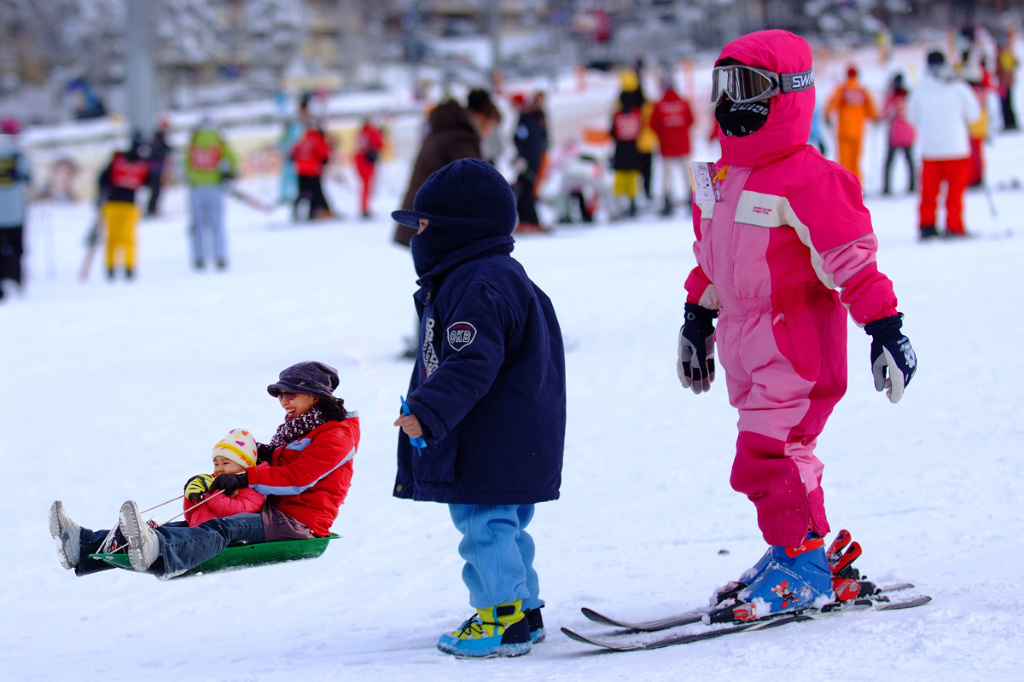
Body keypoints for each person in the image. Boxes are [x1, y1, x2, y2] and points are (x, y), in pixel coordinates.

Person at [678, 29, 917, 623]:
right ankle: (797, 549)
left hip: (794, 345)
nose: (731, 101)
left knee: (770, 455)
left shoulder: (808, 179)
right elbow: (710, 260)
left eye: (749, 86)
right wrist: (696, 317)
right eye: (723, 85)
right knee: (777, 454)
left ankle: (804, 565)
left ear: (788, 94)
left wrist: (886, 329)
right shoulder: (722, 180)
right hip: (744, 342)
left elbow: (852, 262)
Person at [391, 158, 566, 658]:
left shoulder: (478, 285)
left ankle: (500, 618)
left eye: (422, 227)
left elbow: (471, 362)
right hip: (512, 436)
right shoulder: (493, 276)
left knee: (483, 527)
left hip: (487, 437)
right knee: (504, 525)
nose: (416, 239)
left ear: (453, 230)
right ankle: (523, 609)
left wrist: (428, 409)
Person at [49, 361, 359, 580]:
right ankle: (86, 546)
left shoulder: (336, 435)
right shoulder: (302, 428)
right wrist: (250, 455)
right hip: (273, 512)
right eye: (280, 394)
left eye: (290, 393)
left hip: (300, 523)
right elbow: (281, 464)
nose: (283, 401)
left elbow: (296, 480)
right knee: (192, 527)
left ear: (316, 395)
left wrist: (242, 477)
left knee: (225, 528)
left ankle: (160, 552)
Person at [394, 91, 499, 248]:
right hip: (432, 222)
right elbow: (474, 180)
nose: (488, 133)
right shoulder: (460, 138)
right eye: (490, 127)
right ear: (481, 118)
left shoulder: (447, 128)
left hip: (423, 217)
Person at [907, 50, 981, 239]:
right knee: (955, 191)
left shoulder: (920, 88)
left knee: (929, 192)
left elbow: (911, 117)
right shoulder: (958, 86)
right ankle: (954, 226)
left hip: (930, 149)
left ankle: (927, 226)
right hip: (956, 147)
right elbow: (974, 114)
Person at [184, 117, 238, 270]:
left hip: (197, 188)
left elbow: (186, 165)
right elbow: (233, 159)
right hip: (215, 186)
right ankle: (220, 256)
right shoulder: (219, 141)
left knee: (197, 225)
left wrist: (194, 176)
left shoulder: (193, 142)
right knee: (217, 224)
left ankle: (199, 258)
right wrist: (227, 173)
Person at [183, 428, 266, 528]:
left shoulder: (252, 487)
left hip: (225, 537)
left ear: (244, 466)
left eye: (225, 463)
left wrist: (212, 492)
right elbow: (191, 518)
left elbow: (238, 512)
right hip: (200, 535)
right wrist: (193, 499)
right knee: (171, 530)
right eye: (216, 464)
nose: (219, 469)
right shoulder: (212, 482)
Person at [97, 135, 151, 280]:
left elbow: (102, 180)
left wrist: (100, 198)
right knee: (128, 239)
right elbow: (150, 182)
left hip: (112, 203)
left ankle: (111, 268)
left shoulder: (117, 160)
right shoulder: (142, 163)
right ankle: (129, 267)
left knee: (112, 238)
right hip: (129, 204)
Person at [649, 76, 695, 217]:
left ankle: (667, 202)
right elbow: (691, 120)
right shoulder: (683, 102)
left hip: (667, 146)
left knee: (666, 176)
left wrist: (665, 134)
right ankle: (690, 200)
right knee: (687, 175)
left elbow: (653, 124)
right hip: (682, 145)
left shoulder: (659, 105)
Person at [826, 66, 878, 183]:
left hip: (843, 130)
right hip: (858, 131)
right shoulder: (862, 91)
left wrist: (827, 116)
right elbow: (872, 110)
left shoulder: (842, 89)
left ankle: (845, 185)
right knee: (856, 160)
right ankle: (858, 185)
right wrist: (876, 119)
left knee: (844, 161)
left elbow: (831, 103)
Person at [0, 118, 32, 301]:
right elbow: (28, 174)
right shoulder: (17, 152)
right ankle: (13, 279)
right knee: (16, 248)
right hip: (15, 213)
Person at [511, 92, 549, 233]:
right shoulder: (534, 117)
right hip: (533, 160)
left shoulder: (526, 119)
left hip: (529, 162)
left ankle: (530, 221)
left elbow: (528, 142)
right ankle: (530, 221)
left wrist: (524, 158)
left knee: (525, 192)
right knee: (525, 191)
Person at [609, 89, 644, 218]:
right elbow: (640, 129)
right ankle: (632, 203)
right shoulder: (636, 114)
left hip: (620, 151)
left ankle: (619, 205)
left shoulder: (617, 115)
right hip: (633, 150)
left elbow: (612, 132)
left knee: (620, 180)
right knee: (633, 179)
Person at [881, 74, 916, 195]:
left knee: (889, 162)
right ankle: (912, 185)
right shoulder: (909, 96)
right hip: (908, 131)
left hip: (895, 133)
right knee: (910, 161)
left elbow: (885, 114)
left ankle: (887, 187)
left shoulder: (891, 97)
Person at [291, 123, 333, 221]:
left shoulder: (303, 139)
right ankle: (313, 212)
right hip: (312, 171)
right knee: (316, 192)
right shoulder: (318, 140)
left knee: (303, 192)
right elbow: (324, 154)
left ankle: (296, 211)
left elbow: (293, 153)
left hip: (301, 171)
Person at [353, 118, 386, 218]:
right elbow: (381, 145)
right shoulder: (372, 132)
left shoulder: (360, 132)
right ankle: (365, 208)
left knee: (364, 185)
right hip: (366, 160)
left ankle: (364, 207)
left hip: (358, 159)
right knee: (367, 185)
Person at [145, 119, 173, 217]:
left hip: (156, 167)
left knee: (156, 190)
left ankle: (152, 209)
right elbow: (159, 151)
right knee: (156, 190)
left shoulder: (158, 137)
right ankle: (151, 210)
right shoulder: (158, 137)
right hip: (156, 169)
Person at [995, 35, 1019, 131]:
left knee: (1005, 104)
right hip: (1008, 83)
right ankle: (1011, 123)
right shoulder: (1006, 53)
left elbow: (1000, 70)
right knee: (1008, 103)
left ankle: (1008, 123)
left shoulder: (1001, 55)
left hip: (1003, 84)